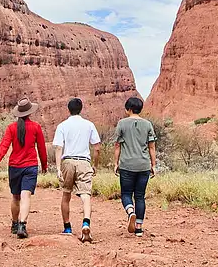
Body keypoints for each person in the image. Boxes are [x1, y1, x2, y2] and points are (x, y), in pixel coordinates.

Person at [0, 98, 48, 239]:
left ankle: (15, 224)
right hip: (30, 166)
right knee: (26, 195)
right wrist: (44, 165)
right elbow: (41, 147)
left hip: (15, 167)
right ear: (30, 112)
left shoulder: (11, 128)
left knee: (15, 197)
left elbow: (4, 145)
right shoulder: (36, 127)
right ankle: (22, 225)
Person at [52, 97, 101, 242]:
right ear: (81, 109)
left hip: (67, 161)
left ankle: (67, 228)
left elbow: (59, 147)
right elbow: (97, 147)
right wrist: (95, 165)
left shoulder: (62, 126)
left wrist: (58, 168)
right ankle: (86, 223)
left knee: (66, 194)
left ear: (69, 109)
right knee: (86, 195)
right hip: (84, 162)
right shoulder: (89, 125)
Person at [112, 96, 157, 237]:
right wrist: (153, 165)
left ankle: (130, 211)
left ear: (129, 109)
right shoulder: (148, 124)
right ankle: (138, 228)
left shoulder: (122, 124)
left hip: (127, 165)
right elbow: (152, 147)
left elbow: (117, 146)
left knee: (126, 194)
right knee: (140, 196)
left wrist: (116, 163)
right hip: (143, 165)